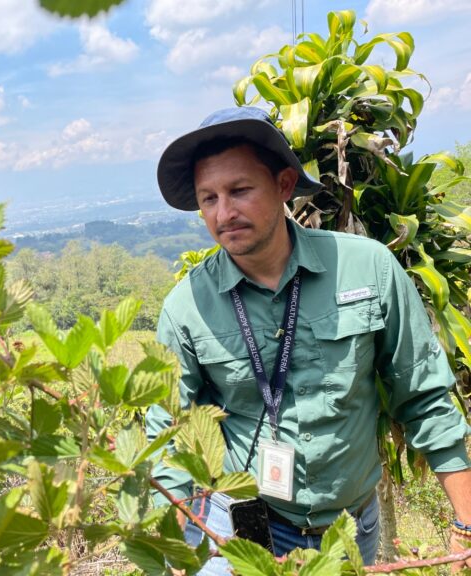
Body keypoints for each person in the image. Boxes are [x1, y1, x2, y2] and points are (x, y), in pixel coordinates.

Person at [145, 106, 471, 574]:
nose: (224, 212)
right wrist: (175, 550)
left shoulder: (368, 268)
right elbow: (168, 435)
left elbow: (422, 395)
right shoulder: (186, 306)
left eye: (239, 191)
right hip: (242, 521)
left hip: (348, 529)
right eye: (209, 198)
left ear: (282, 186)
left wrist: (466, 524)